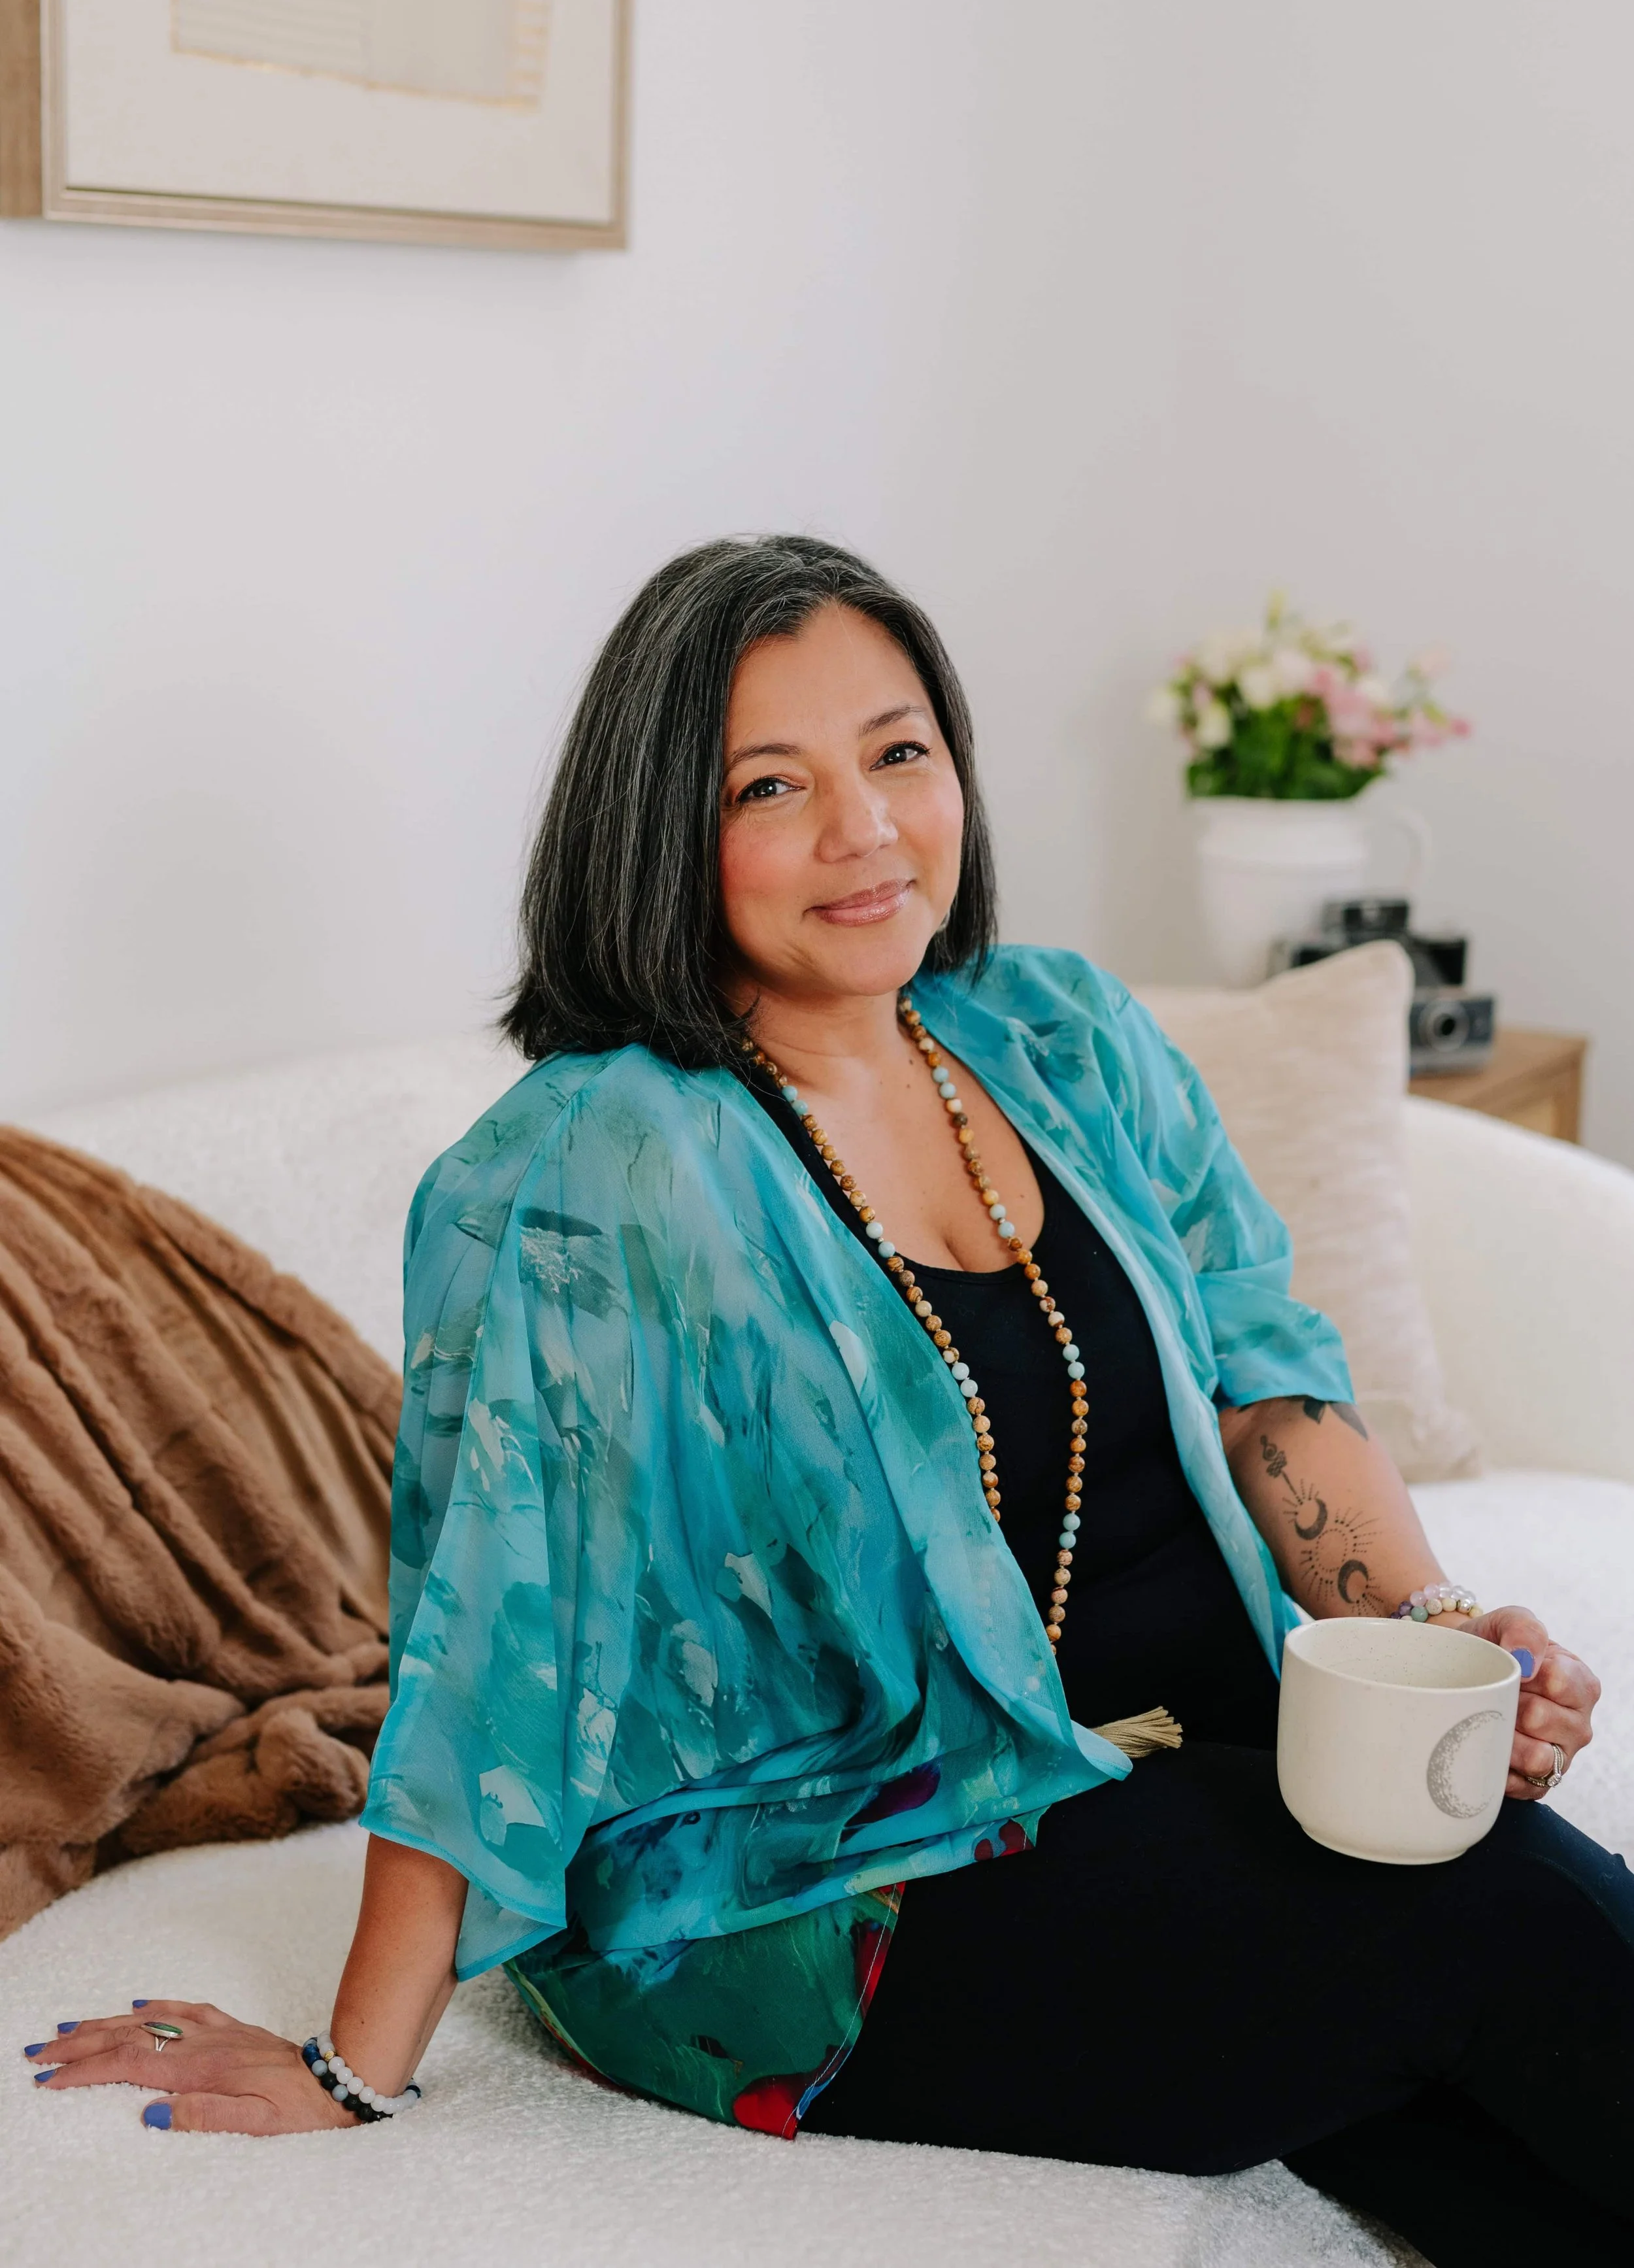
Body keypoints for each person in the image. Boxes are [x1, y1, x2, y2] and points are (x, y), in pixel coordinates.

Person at [27, 537, 1624, 2267]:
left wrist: (1442, 1641)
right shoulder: (589, 1170)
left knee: (1483, 2083)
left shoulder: (1058, 1033)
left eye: (898, 751)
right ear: (658, 834)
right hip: (842, 1880)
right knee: (1493, 1917)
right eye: (771, 785)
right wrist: (356, 2060)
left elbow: (1266, 1378)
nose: (863, 829)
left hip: (1196, 1757)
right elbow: (499, 1634)